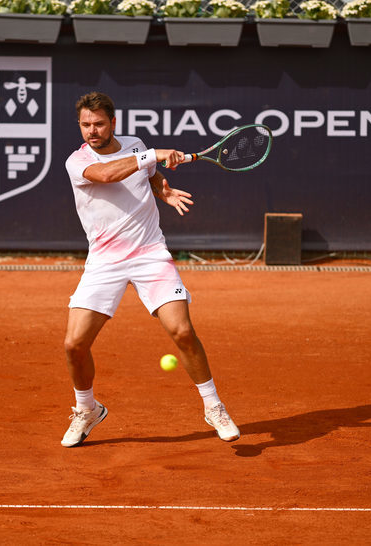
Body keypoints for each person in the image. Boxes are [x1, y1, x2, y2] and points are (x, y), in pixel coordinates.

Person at [61, 92, 240, 447]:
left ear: (113, 123)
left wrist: (163, 190)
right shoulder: (77, 161)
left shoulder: (134, 144)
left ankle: (213, 406)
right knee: (74, 344)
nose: (92, 131)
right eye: (85, 125)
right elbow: (110, 173)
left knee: (182, 331)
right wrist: (152, 154)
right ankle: (87, 409)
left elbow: (149, 174)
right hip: (104, 260)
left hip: (149, 252)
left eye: (99, 124)